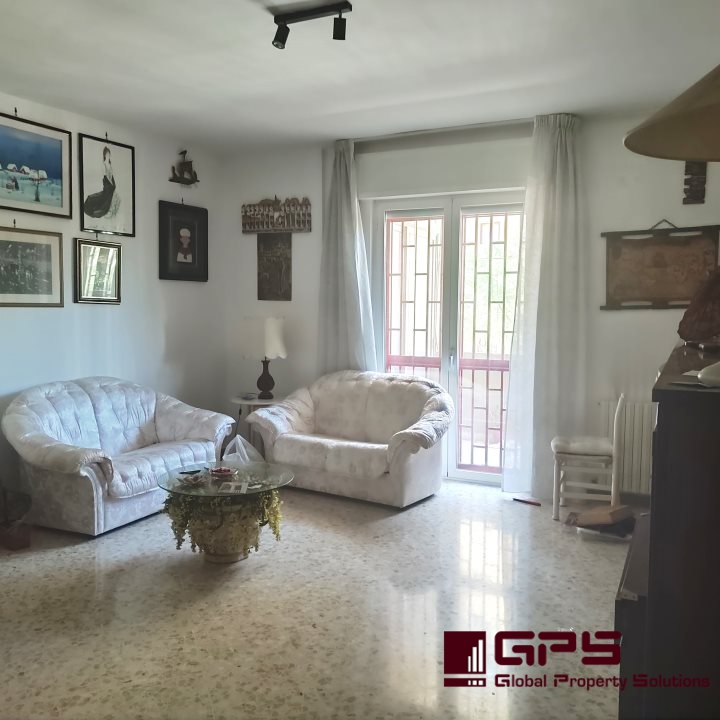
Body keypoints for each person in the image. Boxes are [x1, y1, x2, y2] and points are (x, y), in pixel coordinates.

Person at [83, 146, 116, 218]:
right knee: (105, 195)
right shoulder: (104, 163)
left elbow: (111, 174)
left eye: (109, 154)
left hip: (110, 181)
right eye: (107, 154)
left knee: (110, 193)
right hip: (107, 181)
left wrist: (112, 183)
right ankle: (96, 207)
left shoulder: (109, 164)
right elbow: (105, 174)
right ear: (105, 155)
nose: (108, 155)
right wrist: (110, 182)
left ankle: (105, 208)